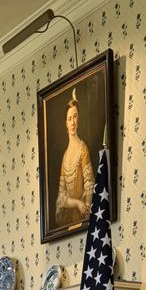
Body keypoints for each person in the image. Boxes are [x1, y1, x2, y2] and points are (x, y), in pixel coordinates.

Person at [53, 94, 95, 229]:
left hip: (83, 216)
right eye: (69, 118)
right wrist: (76, 203)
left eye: (75, 116)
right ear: (66, 123)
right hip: (69, 218)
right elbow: (61, 198)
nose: (72, 122)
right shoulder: (65, 156)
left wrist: (87, 211)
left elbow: (89, 183)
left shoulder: (83, 149)